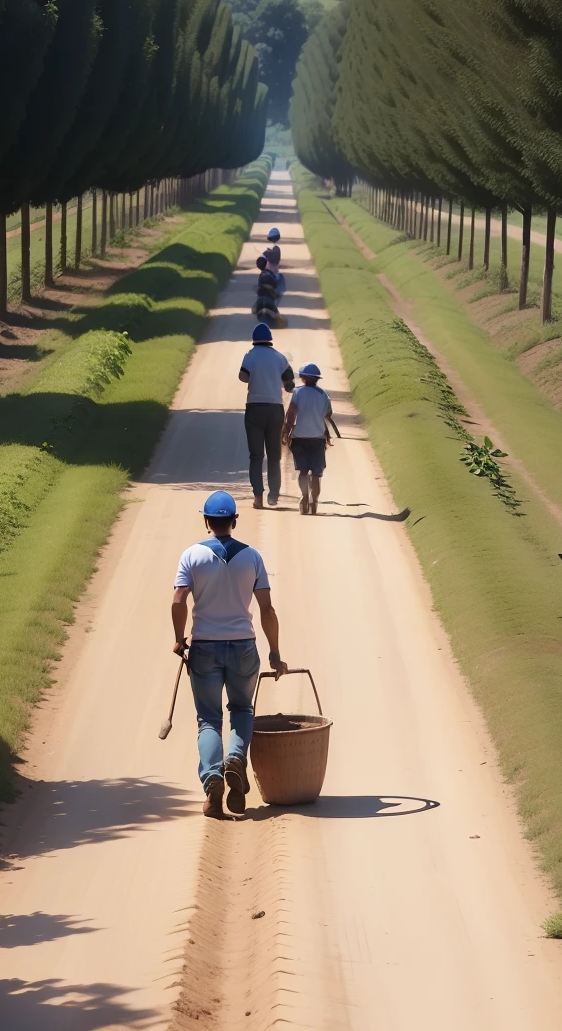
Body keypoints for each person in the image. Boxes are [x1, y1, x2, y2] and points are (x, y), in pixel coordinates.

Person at [172, 491, 288, 818]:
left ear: (207, 522)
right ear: (234, 521)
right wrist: (275, 653)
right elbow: (267, 608)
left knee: (208, 719)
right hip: (243, 647)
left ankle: (212, 785)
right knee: (241, 709)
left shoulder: (191, 556)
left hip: (205, 647)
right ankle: (236, 756)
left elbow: (179, 600)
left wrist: (180, 639)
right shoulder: (252, 557)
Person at [239, 322, 294, 508]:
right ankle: (273, 495)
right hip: (275, 409)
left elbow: (243, 377)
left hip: (255, 407)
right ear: (270, 339)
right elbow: (289, 382)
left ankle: (258, 497)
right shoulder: (279, 358)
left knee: (256, 456)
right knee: (274, 455)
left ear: (254, 340)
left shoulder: (250, 355)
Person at [283, 362, 333, 514]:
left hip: (300, 438)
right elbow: (328, 416)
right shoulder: (323, 395)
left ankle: (304, 497)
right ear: (317, 379)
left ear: (303, 378)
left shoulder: (297, 393)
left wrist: (287, 430)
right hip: (318, 439)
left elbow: (291, 414)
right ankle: (314, 501)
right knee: (316, 474)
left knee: (303, 471)